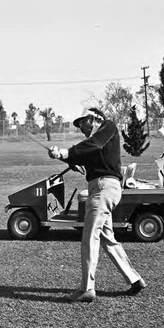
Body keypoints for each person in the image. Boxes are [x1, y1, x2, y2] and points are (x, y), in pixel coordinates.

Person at [48, 107, 146, 303]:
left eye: (83, 122)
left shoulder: (107, 127)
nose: (81, 127)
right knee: (106, 237)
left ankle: (87, 288)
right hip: (100, 189)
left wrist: (67, 152)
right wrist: (61, 155)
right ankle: (135, 279)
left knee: (89, 236)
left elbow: (91, 145)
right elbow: (82, 154)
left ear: (93, 119)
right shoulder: (94, 143)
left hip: (103, 189)